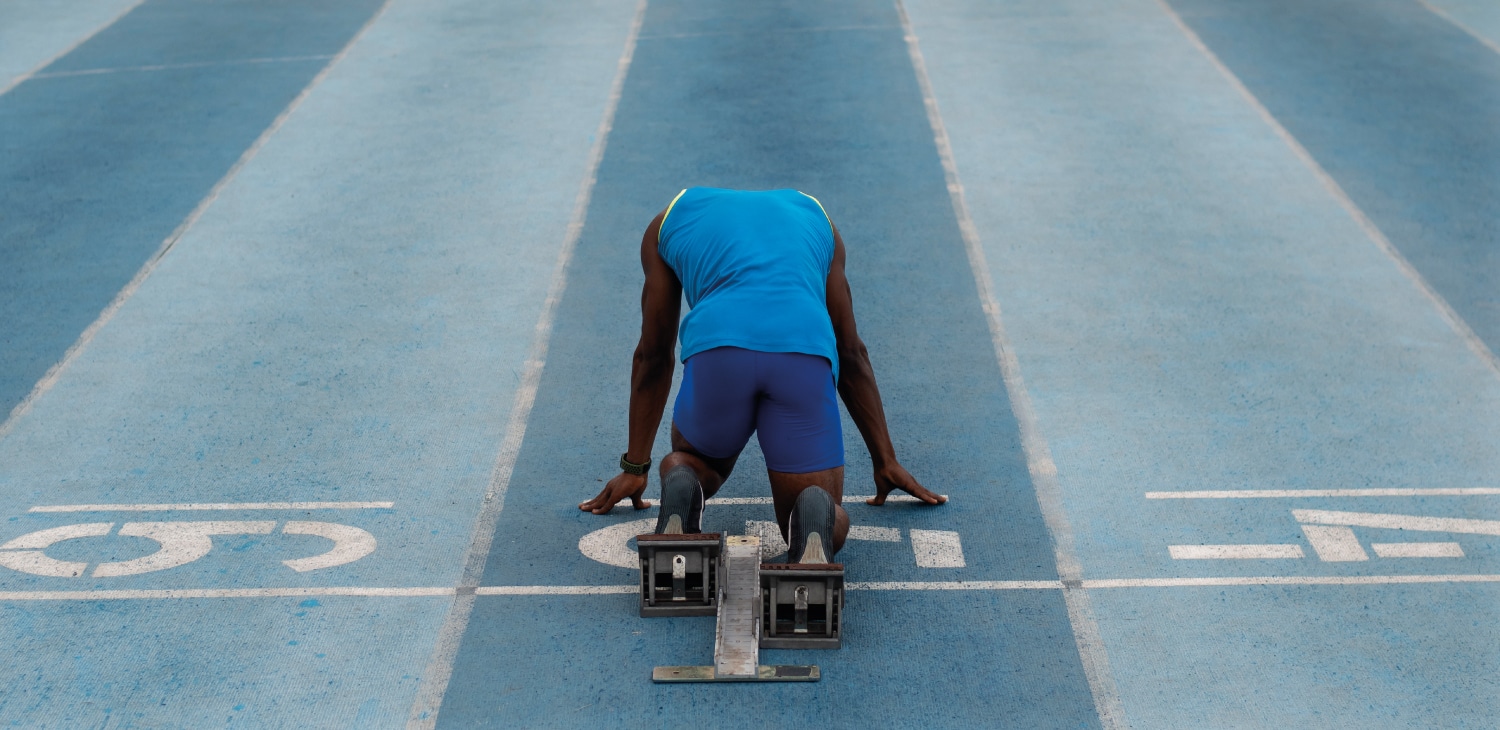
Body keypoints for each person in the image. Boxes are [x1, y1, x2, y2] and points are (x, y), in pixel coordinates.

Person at [579, 187, 944, 563]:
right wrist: (885, 459)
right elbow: (851, 351)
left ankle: (684, 480)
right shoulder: (821, 221)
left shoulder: (664, 224)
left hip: (719, 352)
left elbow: (653, 356)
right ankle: (812, 521)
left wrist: (635, 466)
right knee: (811, 509)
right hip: (801, 352)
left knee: (691, 459)